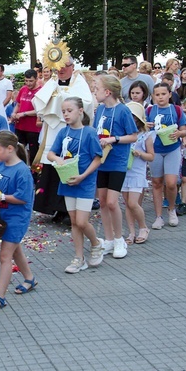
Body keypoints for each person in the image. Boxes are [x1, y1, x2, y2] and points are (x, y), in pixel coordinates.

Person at [0, 131, 36, 310]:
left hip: (17, 218)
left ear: (10, 148)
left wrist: (0, 197)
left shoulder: (22, 171)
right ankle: (30, 279)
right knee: (15, 249)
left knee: (5, 256)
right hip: (2, 216)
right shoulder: (0, 165)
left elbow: (23, 198)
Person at [33, 57, 94, 223]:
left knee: (69, 167)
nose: (61, 70)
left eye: (65, 66)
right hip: (53, 130)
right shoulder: (52, 82)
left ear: (72, 67)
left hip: (73, 131)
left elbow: (87, 104)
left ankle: (67, 210)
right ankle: (53, 207)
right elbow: (38, 102)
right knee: (52, 169)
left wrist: (65, 99)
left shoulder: (78, 81)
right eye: (58, 67)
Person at [47, 97, 104, 273]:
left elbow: (97, 158)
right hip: (67, 181)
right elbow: (50, 154)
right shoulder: (63, 132)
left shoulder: (89, 132)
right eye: (63, 111)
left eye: (69, 110)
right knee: (74, 222)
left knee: (81, 221)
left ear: (80, 111)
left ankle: (96, 243)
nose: (65, 114)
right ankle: (79, 258)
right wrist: (59, 159)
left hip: (85, 182)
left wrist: (83, 176)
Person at [92, 75, 138, 259]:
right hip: (102, 161)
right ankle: (109, 239)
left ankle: (119, 239)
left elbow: (133, 135)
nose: (95, 92)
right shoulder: (100, 110)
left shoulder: (123, 111)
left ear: (107, 92)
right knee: (102, 201)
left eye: (97, 89)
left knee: (112, 201)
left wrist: (115, 139)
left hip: (117, 160)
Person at [146, 83, 186, 229]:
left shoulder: (176, 110)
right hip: (155, 149)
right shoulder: (150, 110)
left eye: (163, 94)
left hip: (172, 148)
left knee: (171, 182)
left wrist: (179, 133)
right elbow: (143, 128)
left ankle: (171, 209)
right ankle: (158, 216)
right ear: (153, 96)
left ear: (169, 94)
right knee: (157, 182)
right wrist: (146, 125)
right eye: (157, 95)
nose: (160, 97)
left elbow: (184, 129)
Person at [121, 102, 154, 245]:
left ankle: (143, 227)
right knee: (127, 204)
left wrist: (140, 153)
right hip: (124, 172)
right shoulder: (123, 134)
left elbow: (151, 156)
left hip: (137, 173)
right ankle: (131, 232)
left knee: (133, 203)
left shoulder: (145, 136)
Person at [11, 69, 42, 164]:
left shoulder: (40, 91)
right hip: (20, 126)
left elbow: (40, 110)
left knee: (33, 153)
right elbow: (18, 104)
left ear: (36, 79)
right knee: (18, 151)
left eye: (31, 81)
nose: (28, 83)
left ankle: (35, 174)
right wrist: (14, 113)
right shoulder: (23, 89)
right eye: (26, 81)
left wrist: (24, 114)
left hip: (33, 128)